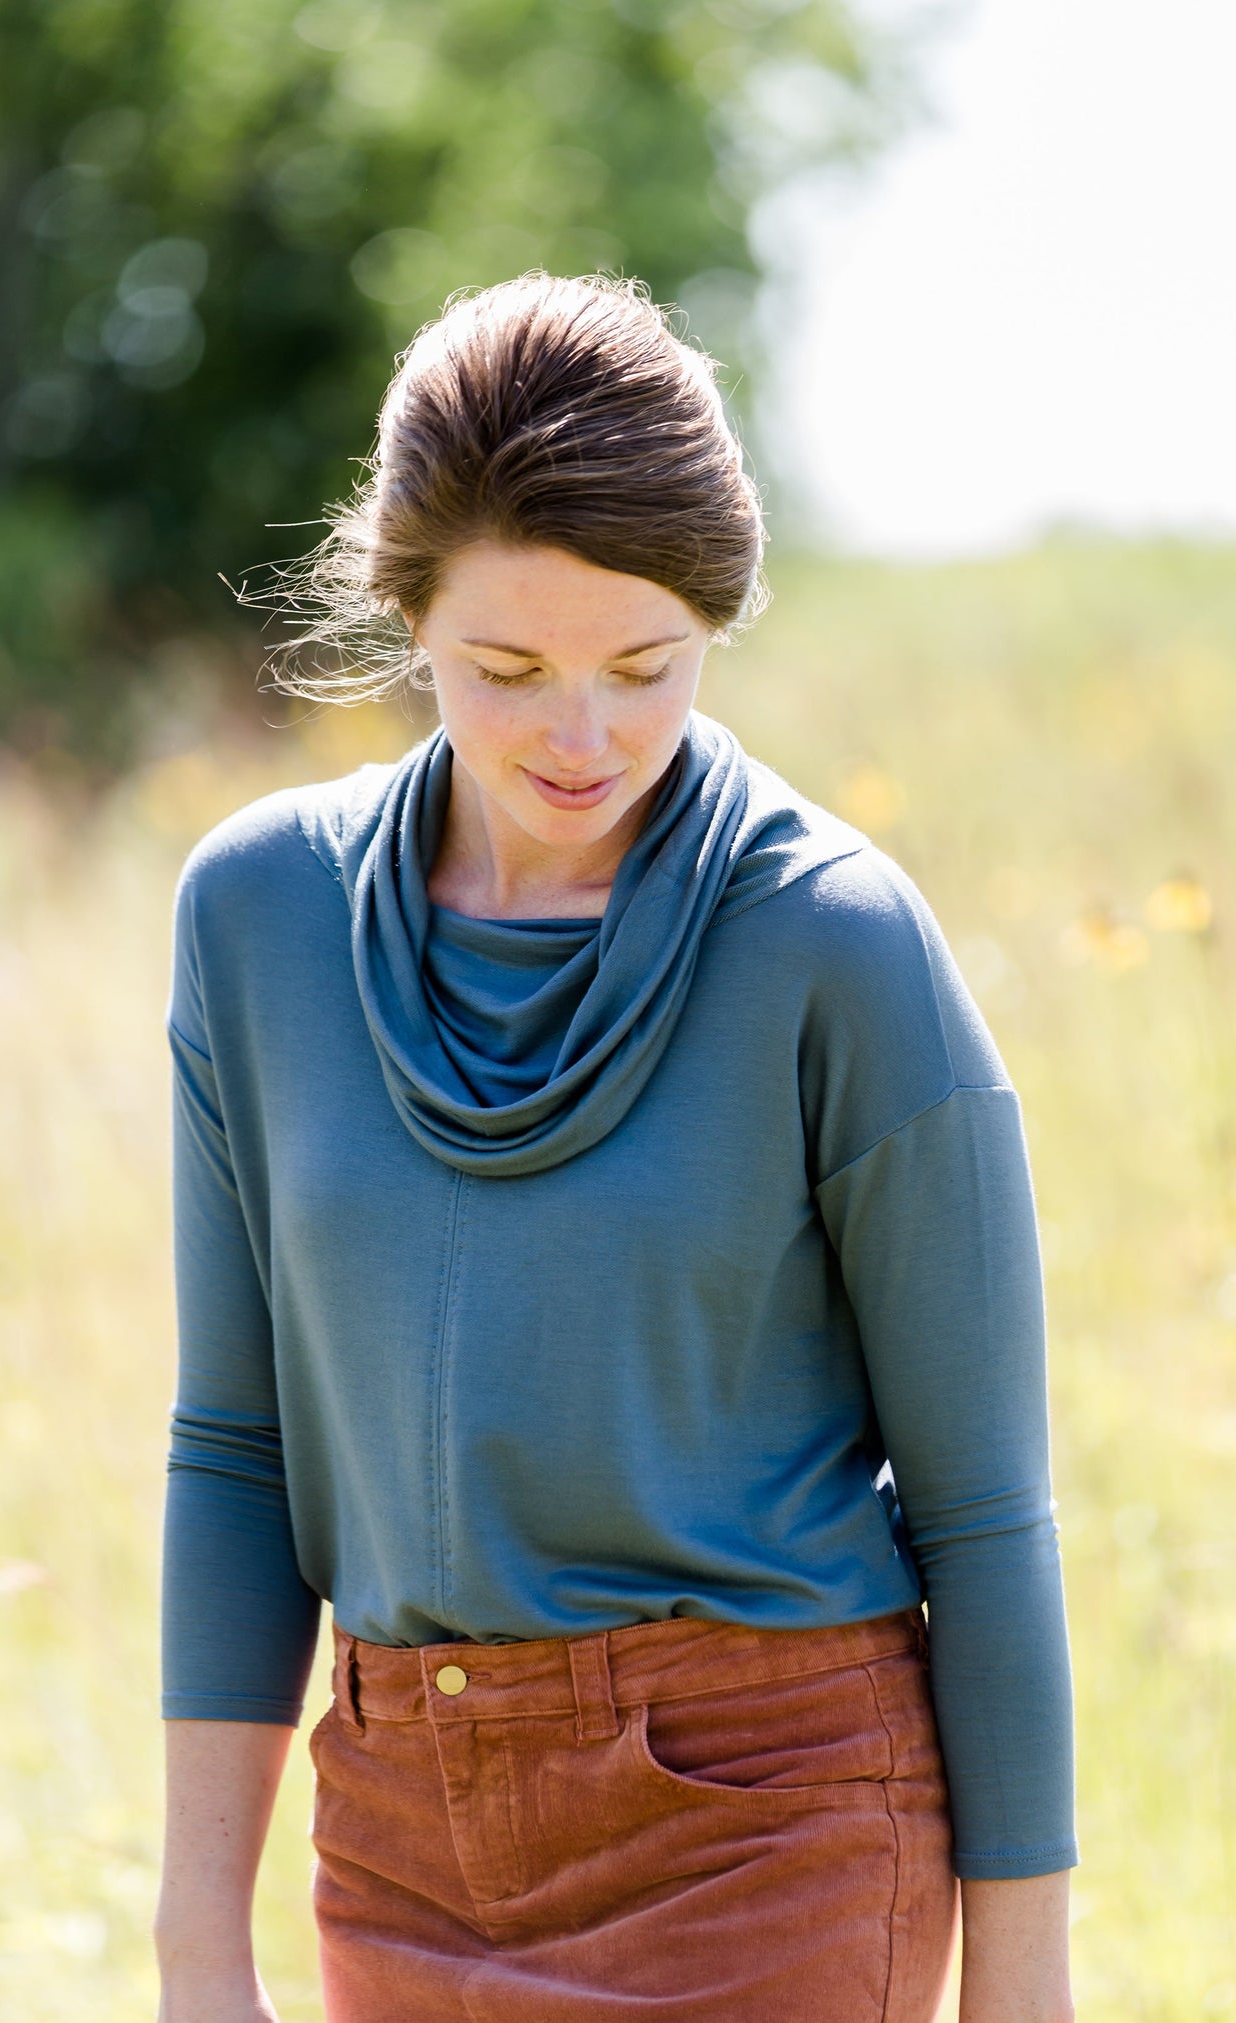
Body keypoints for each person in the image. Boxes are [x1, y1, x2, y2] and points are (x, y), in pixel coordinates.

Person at [152, 270, 1079, 2023]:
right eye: (506, 669)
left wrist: (1019, 2004)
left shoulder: (834, 941)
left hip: (767, 1825)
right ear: (407, 615)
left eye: (643, 667)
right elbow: (237, 1441)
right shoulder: (255, 918)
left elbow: (982, 1513)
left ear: (712, 626)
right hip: (402, 1839)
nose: (581, 739)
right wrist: (199, 1943)